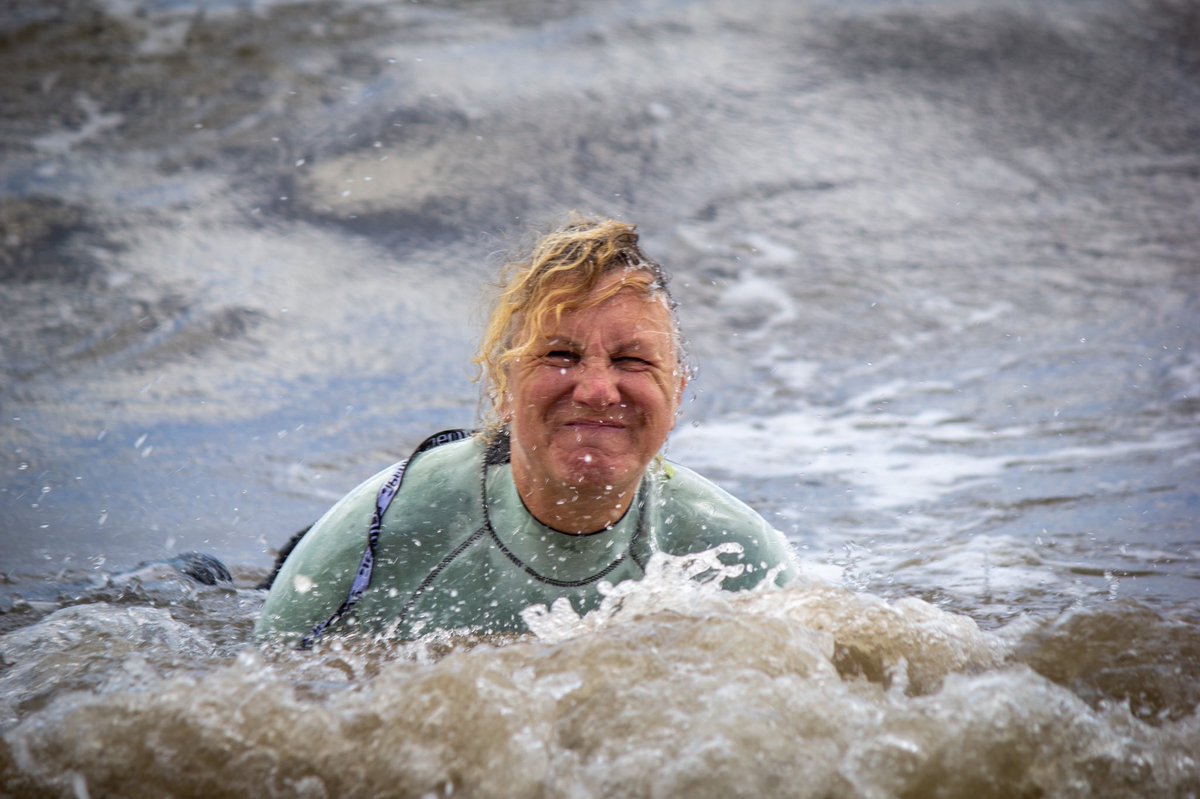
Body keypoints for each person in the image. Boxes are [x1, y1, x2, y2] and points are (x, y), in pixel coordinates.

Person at [255, 216, 798, 646]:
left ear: (675, 395)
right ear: (503, 387)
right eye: (560, 356)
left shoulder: (737, 557)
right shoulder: (380, 537)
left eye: (632, 360)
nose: (597, 390)